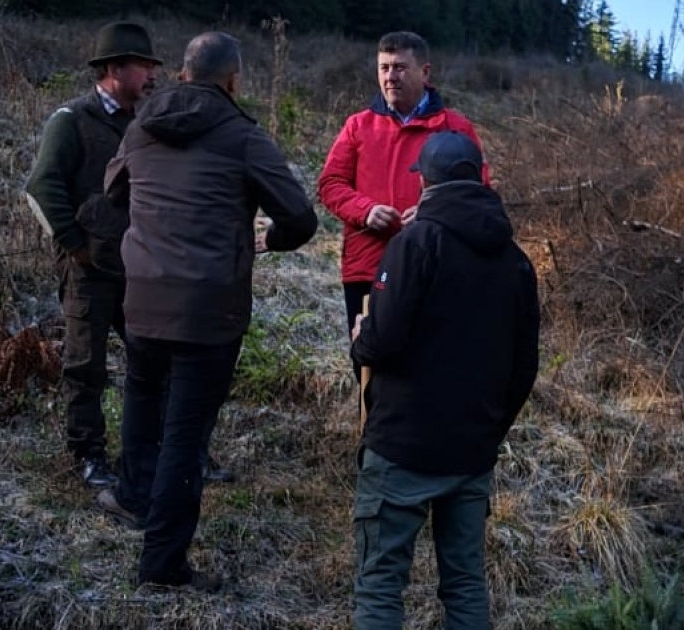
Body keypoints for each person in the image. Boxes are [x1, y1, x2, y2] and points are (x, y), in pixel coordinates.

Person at [94, 31, 317, 590]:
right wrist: (273, 239)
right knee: (186, 435)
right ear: (233, 80)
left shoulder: (142, 125)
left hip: (142, 296)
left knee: (143, 406)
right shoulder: (241, 135)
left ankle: (132, 500)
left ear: (183, 72)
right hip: (208, 310)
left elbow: (112, 190)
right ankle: (162, 565)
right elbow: (300, 215)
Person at [349, 131, 539, 629]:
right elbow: (525, 367)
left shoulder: (416, 242)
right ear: (478, 177)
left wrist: (361, 336)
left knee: (381, 582)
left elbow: (381, 342)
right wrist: (489, 431)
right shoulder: (517, 261)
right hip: (472, 450)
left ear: (425, 182)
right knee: (465, 583)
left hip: (401, 446)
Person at [25, 21, 161, 488]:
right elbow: (41, 187)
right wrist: (74, 244)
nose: (151, 75)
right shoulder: (71, 120)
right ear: (114, 69)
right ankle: (87, 457)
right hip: (88, 269)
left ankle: (147, 453)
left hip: (137, 268)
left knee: (151, 360)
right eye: (143, 65)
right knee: (86, 367)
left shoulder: (143, 123)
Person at [318, 31, 489, 373]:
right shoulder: (358, 126)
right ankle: (369, 427)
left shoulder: (455, 129)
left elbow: (479, 191)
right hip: (368, 269)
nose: (389, 77)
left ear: (424, 73)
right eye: (383, 68)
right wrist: (365, 211)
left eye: (399, 67)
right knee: (369, 367)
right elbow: (330, 184)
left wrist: (432, 212)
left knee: (428, 367)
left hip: (435, 267)